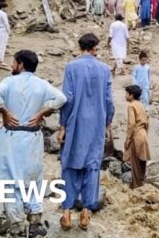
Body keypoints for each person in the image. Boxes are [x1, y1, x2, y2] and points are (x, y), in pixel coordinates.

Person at [0, 50, 66, 237]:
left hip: (12, 137)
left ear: (21, 64)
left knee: (10, 181)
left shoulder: (9, 82)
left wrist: (5, 111)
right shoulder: (42, 84)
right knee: (33, 179)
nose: (12, 65)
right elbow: (62, 99)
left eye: (14, 62)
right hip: (33, 137)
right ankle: (35, 222)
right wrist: (42, 113)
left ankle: (17, 225)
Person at [58, 33, 114, 231]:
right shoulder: (105, 69)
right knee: (92, 166)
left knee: (69, 164)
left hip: (75, 123)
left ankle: (66, 213)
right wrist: (107, 124)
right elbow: (109, 101)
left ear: (80, 47)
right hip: (97, 124)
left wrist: (62, 125)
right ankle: (85, 212)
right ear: (95, 48)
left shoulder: (71, 67)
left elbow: (68, 98)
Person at [124, 85, 151, 189]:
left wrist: (128, 139)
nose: (125, 95)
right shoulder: (141, 104)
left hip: (136, 135)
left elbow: (131, 124)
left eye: (127, 93)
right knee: (142, 160)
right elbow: (147, 121)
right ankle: (142, 181)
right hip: (143, 133)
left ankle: (136, 185)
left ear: (131, 95)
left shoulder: (131, 106)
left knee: (135, 162)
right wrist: (145, 133)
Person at [0, 2, 11, 69]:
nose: (6, 9)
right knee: (2, 45)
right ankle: (0, 60)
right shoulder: (3, 14)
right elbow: (6, 23)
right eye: (6, 7)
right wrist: (8, 31)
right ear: (3, 7)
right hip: (2, 30)